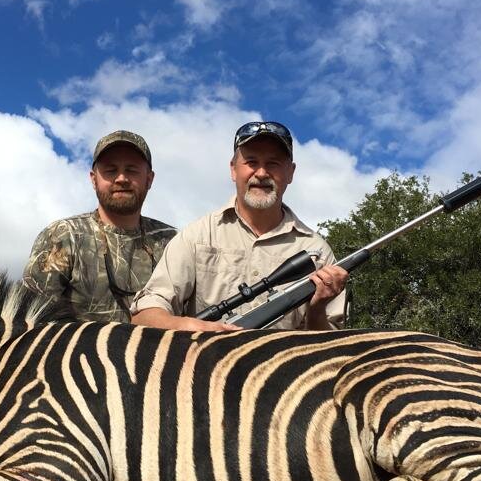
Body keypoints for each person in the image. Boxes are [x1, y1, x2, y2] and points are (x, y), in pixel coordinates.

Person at [130, 120, 348, 332]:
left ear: (290, 172)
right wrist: (195, 328)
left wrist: (317, 310)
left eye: (273, 163)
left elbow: (332, 348)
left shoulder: (317, 252)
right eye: (251, 162)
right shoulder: (197, 236)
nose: (261, 173)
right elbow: (144, 314)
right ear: (233, 170)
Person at [23, 130, 176, 322]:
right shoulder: (63, 236)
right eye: (111, 171)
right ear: (94, 179)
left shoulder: (172, 241)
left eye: (132, 170)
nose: (121, 178)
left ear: (149, 179)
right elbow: (30, 321)